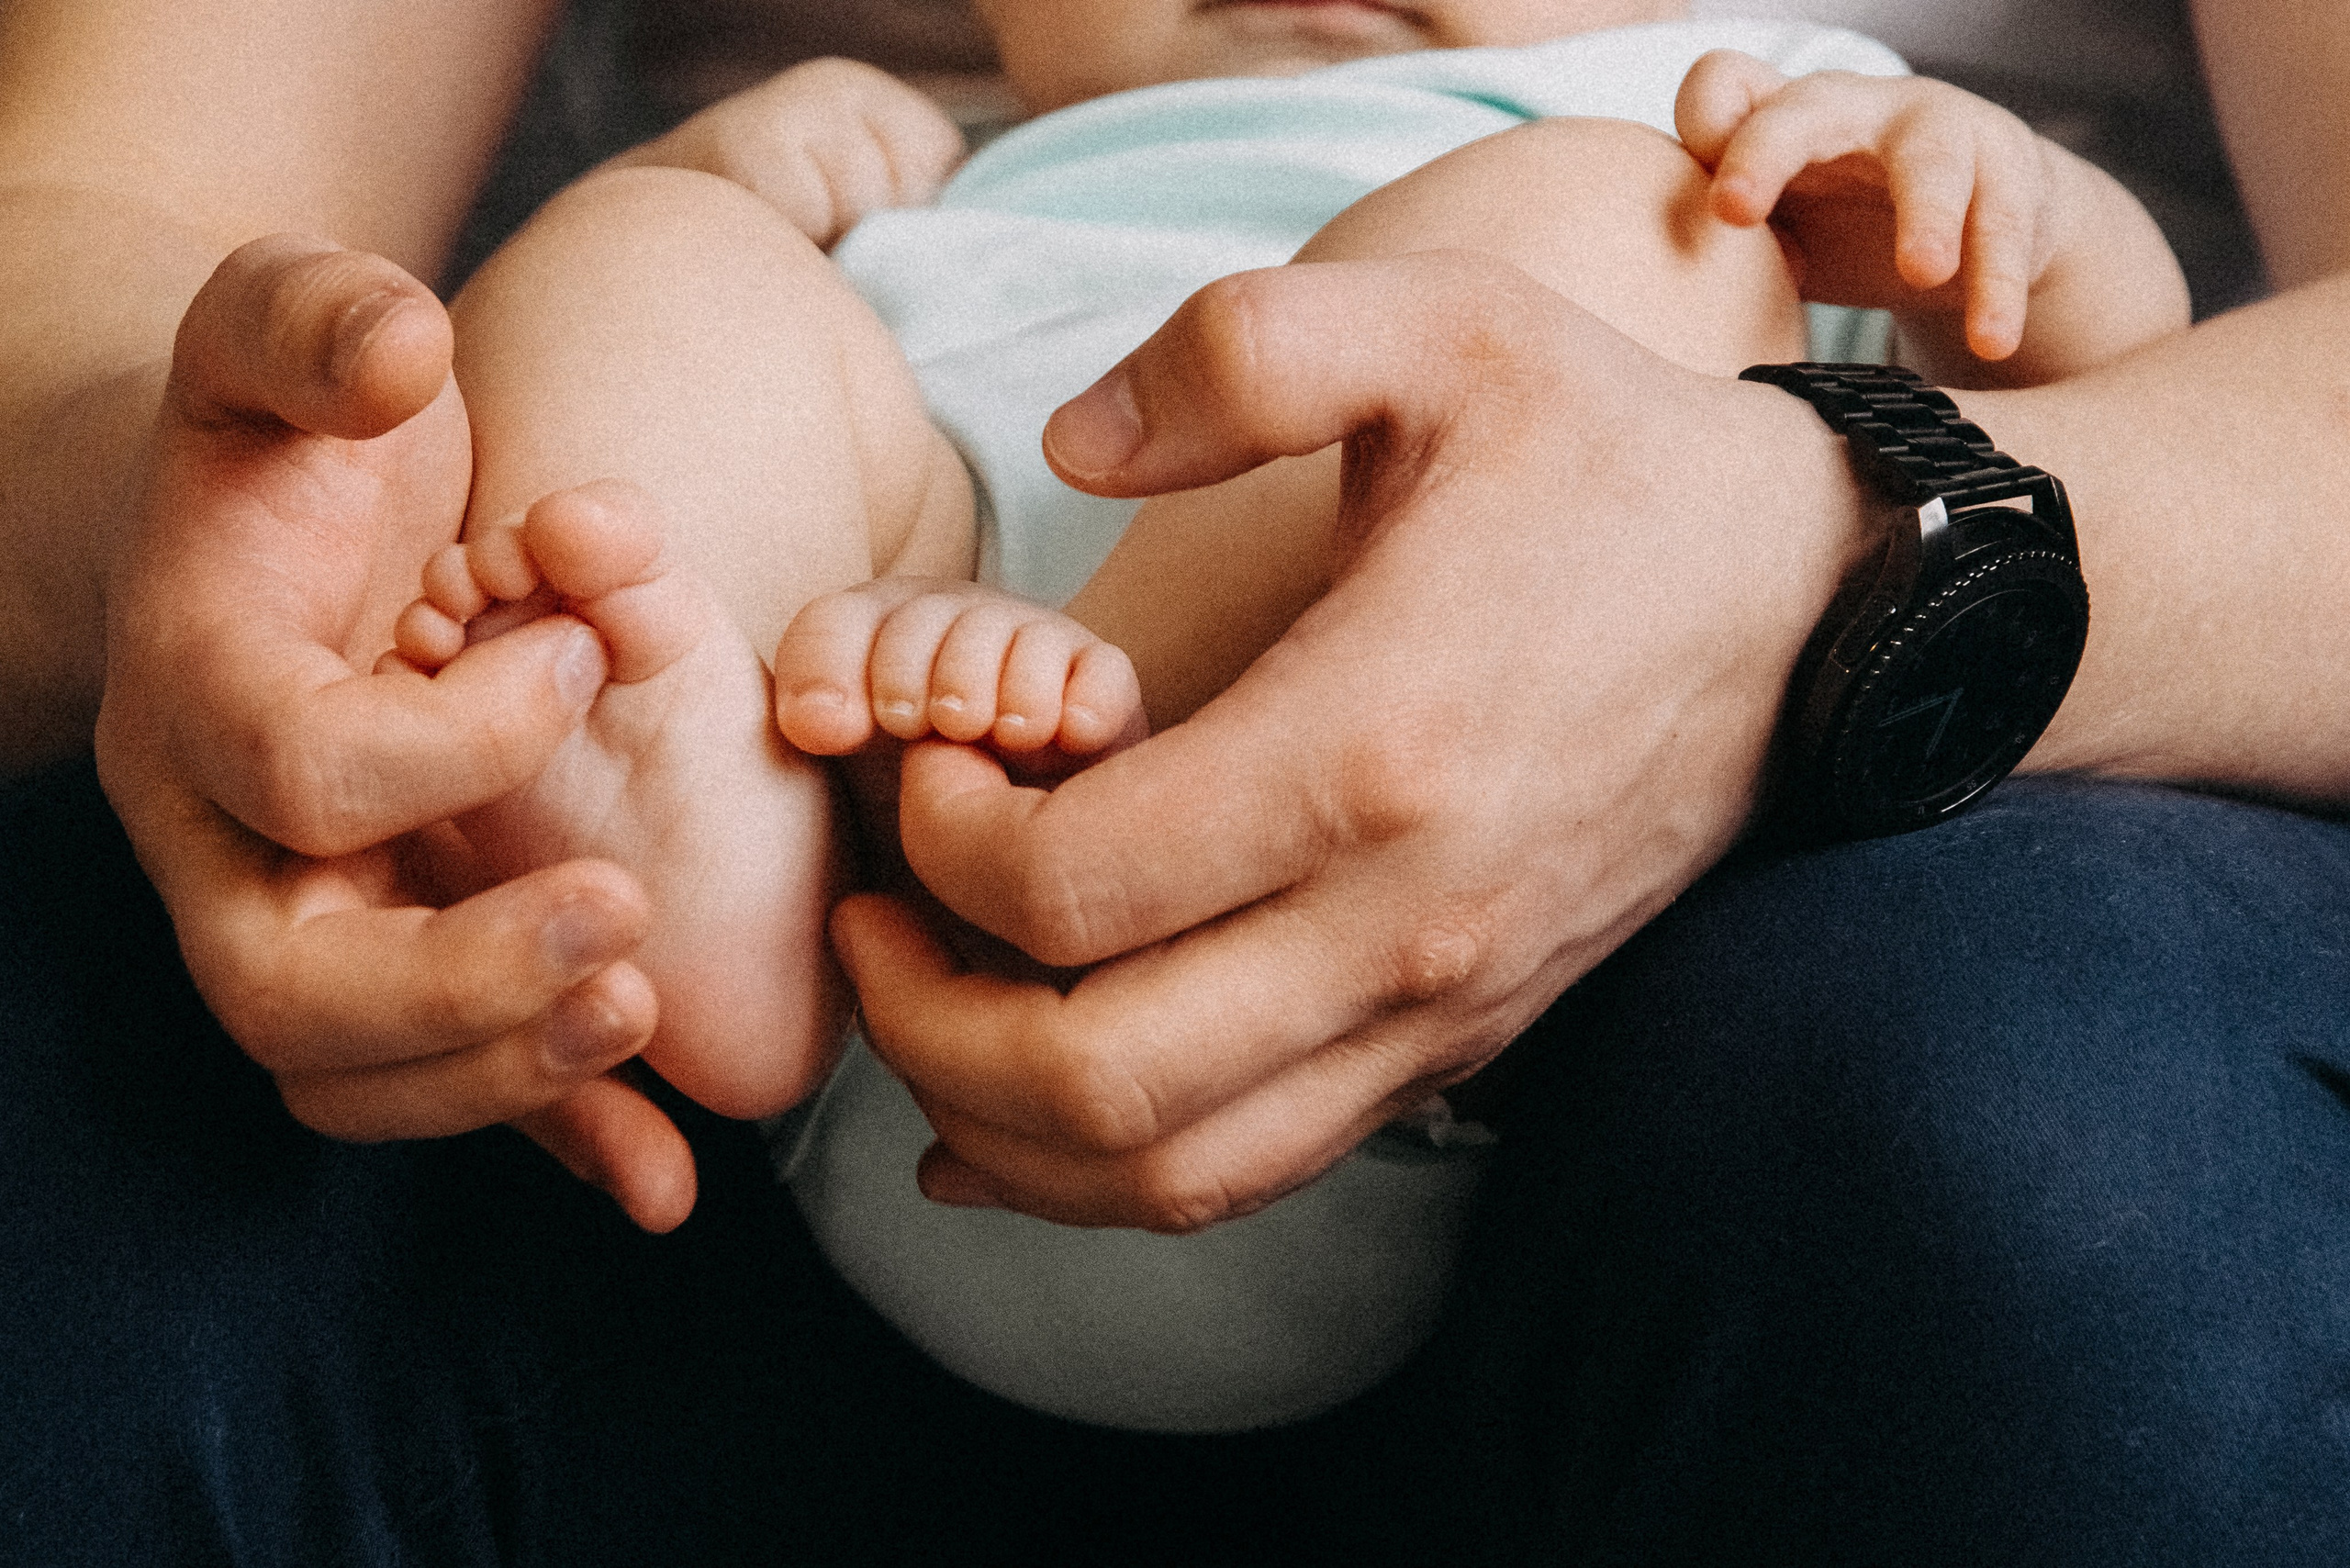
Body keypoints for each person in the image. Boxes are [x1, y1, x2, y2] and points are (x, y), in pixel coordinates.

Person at [5, 0, 2350, 1562]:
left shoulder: (1754, 116)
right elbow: (105, 204)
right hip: (860, 796)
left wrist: (2005, 266)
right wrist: (262, 477)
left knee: (1601, 226)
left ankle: (1122, 779)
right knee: (648, 260)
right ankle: (661, 840)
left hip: (1598, 909)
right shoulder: (965, 155)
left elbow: (2079, 358)